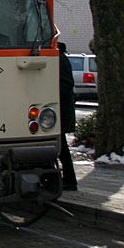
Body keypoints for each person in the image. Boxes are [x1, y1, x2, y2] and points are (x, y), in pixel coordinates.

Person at [58, 42, 78, 191]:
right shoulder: (62, 58)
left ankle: (70, 180)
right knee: (62, 147)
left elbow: (66, 84)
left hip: (61, 112)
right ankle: (69, 179)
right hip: (61, 111)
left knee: (62, 148)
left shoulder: (59, 59)